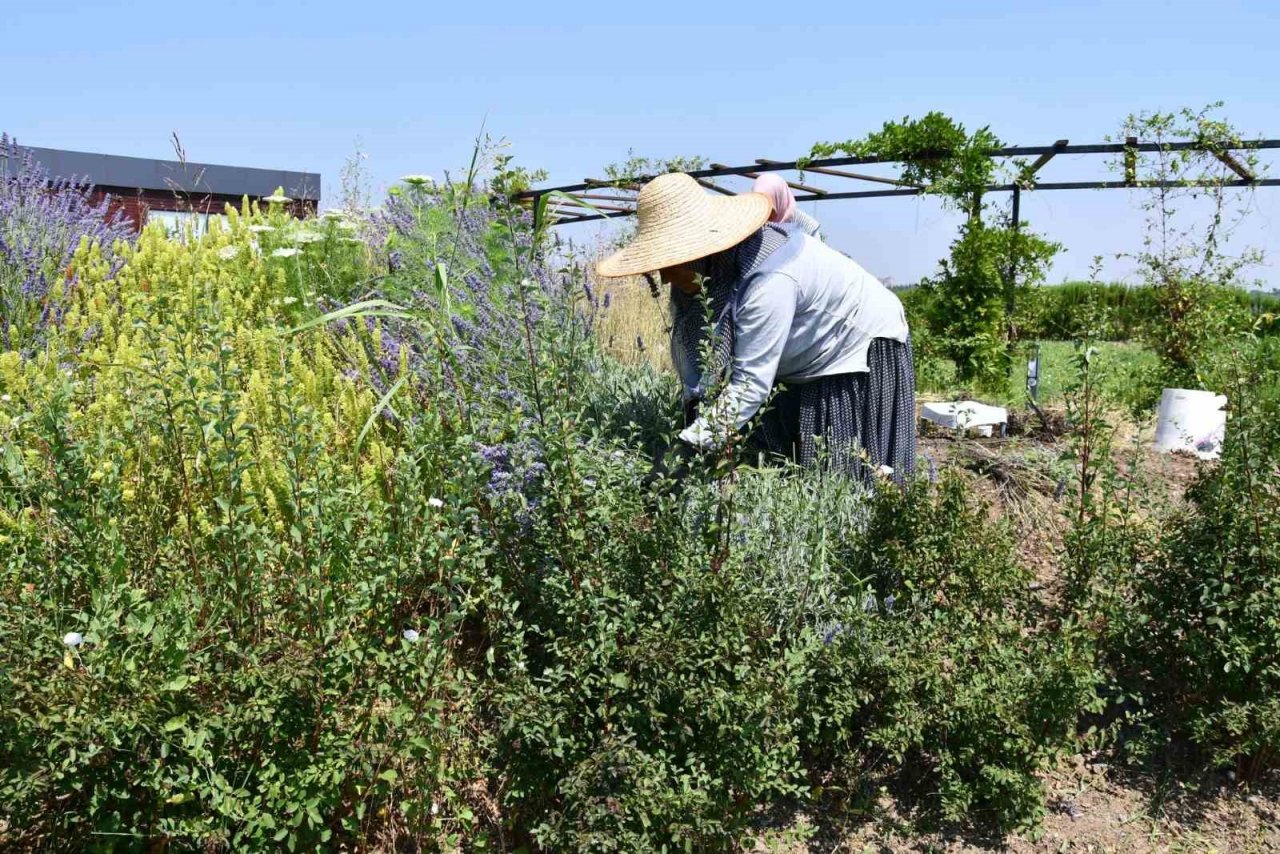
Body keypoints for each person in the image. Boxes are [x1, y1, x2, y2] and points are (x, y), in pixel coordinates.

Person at [596, 173, 915, 483]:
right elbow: (702, 368)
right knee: (785, 466)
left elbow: (750, 385)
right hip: (803, 356)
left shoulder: (768, 279)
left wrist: (683, 452)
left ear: (699, 252)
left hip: (858, 346)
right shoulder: (717, 271)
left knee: (842, 477)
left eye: (668, 263)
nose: (664, 278)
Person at [752, 172, 823, 240]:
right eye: (760, 205)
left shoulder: (807, 226)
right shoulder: (752, 226)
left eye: (769, 207)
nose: (765, 212)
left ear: (779, 199)